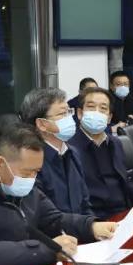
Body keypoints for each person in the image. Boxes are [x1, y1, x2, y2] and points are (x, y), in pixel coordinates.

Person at [0, 124, 116, 265]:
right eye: (27, 173)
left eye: (36, 172)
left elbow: (53, 219)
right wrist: (47, 250)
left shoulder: (17, 181)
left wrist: (90, 226)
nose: (32, 179)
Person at [69, 87, 133, 218]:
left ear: (109, 118)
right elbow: (74, 199)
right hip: (94, 219)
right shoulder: (69, 149)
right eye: (91, 107)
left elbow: (122, 182)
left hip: (125, 214)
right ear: (80, 113)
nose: (97, 113)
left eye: (103, 108)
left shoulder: (115, 143)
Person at [19, 88, 93, 216]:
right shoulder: (30, 162)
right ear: (42, 124)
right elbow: (44, 216)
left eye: (69, 112)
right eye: (62, 114)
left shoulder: (73, 152)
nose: (69, 119)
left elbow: (85, 204)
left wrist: (93, 224)